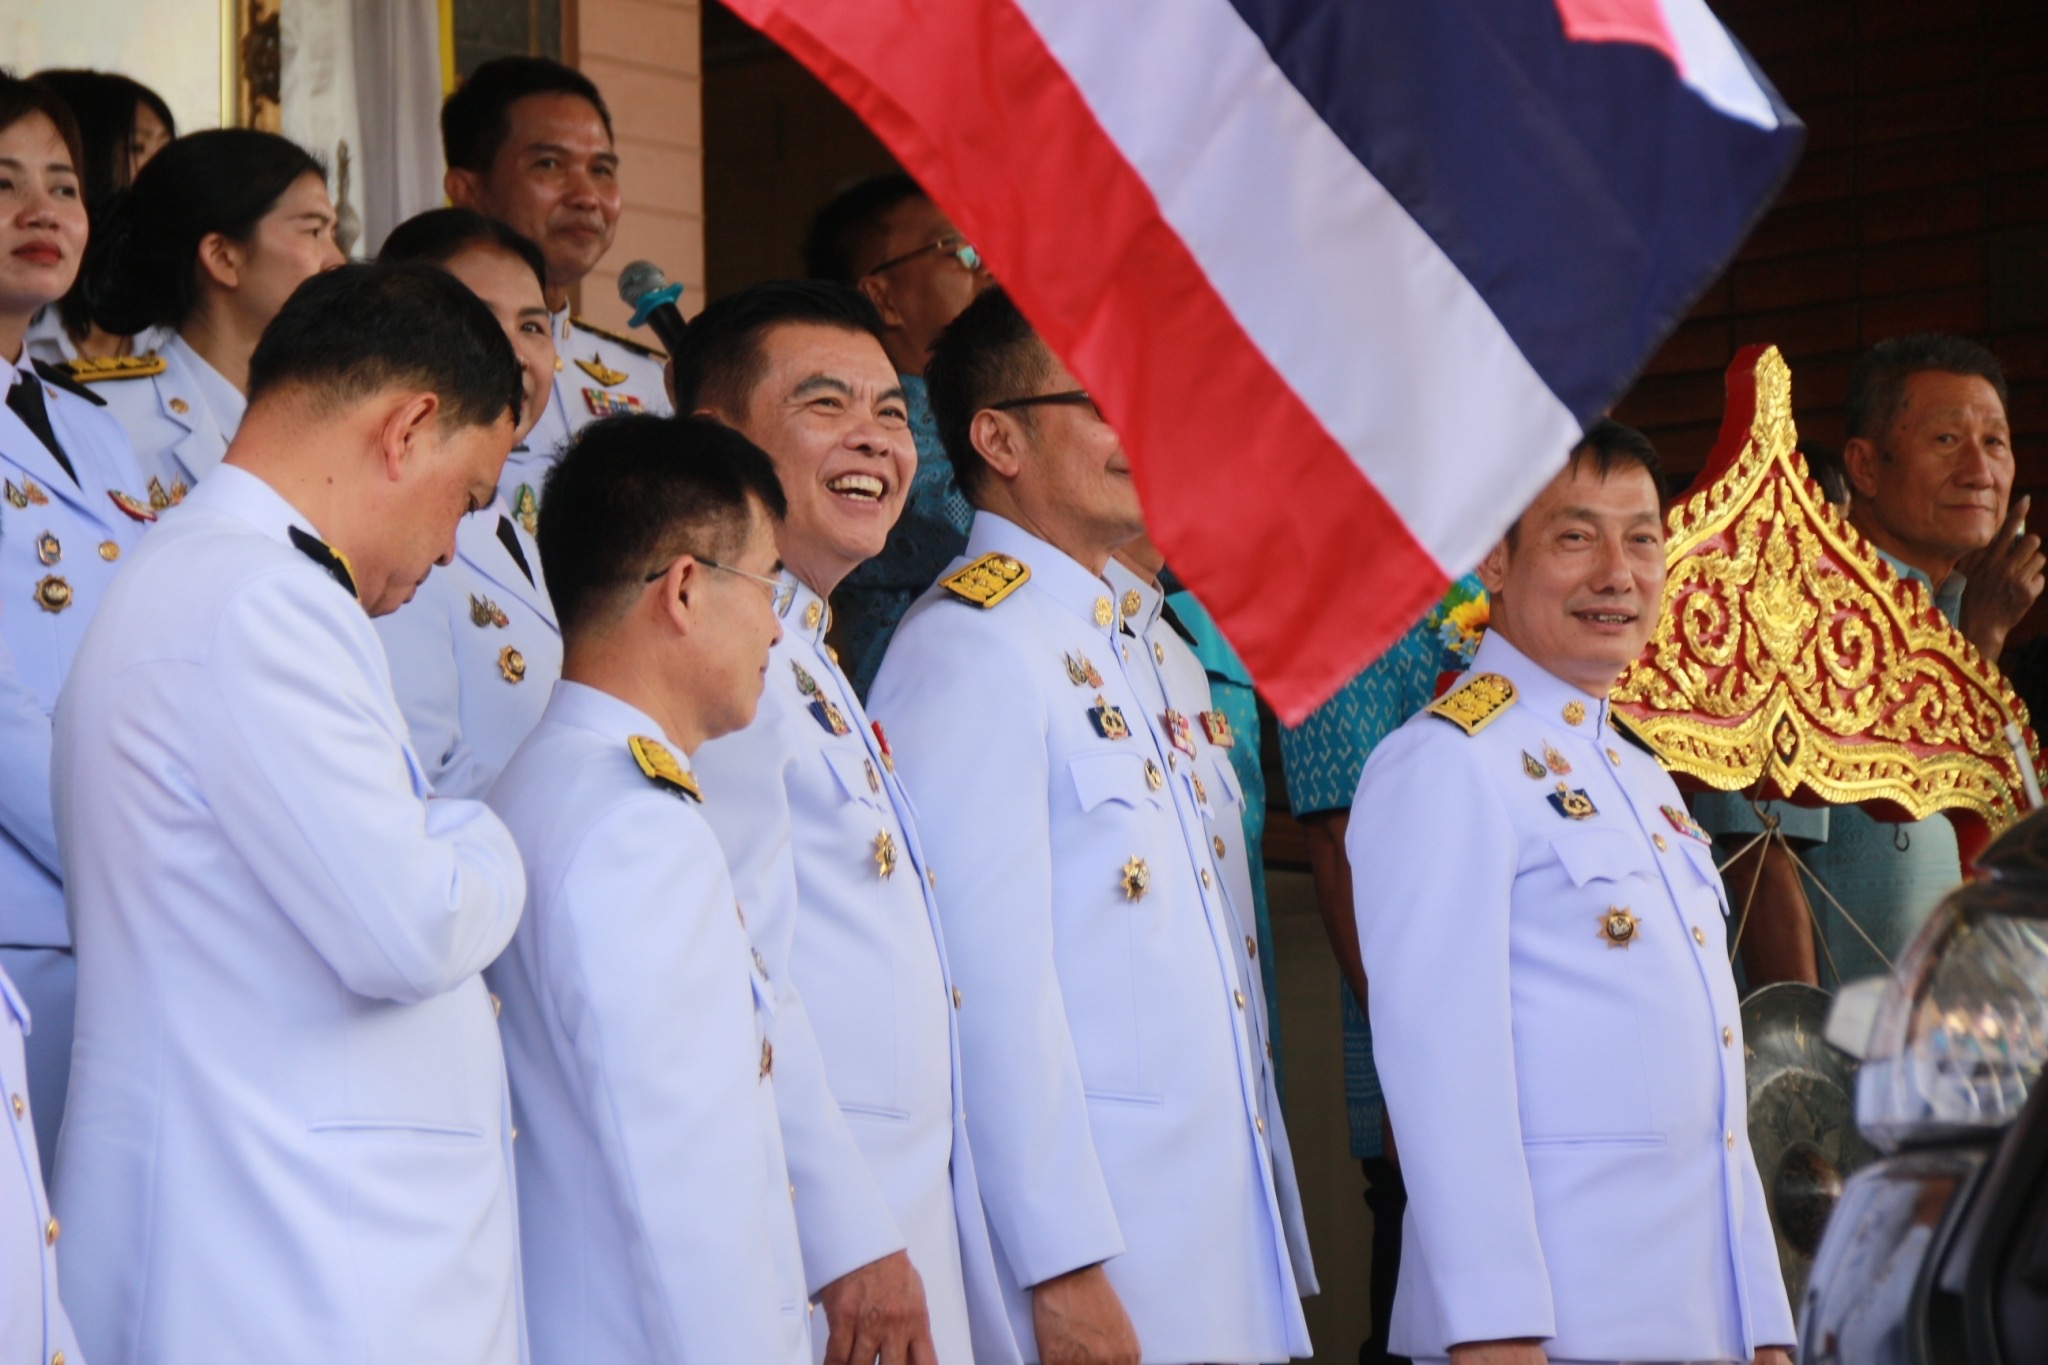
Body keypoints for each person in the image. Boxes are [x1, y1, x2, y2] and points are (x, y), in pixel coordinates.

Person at [51, 261, 530, 1363]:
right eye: (468, 494)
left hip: (290, 1241)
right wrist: (490, 832)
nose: (456, 545)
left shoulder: (223, 576)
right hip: (290, 1258)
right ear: (409, 426)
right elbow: (407, 924)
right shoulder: (258, 599)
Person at [871, 288, 1312, 1364]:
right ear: (999, 438)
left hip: (1217, 1224)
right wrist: (1057, 1265)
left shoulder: (1148, 643)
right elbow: (986, 992)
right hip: (1105, 1250)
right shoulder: (968, 646)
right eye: (1107, 404)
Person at [1349, 420, 1794, 1365]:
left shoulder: (1648, 777)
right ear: (1493, 560)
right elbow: (1441, 1074)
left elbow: (1715, 1091)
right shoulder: (1443, 764)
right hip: (1559, 1328)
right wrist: (1493, 1330)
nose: (1618, 572)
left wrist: (1764, 1326)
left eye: (1642, 538)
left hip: (1698, 1322)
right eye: (1574, 536)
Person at [680, 281, 1012, 1365]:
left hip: (892, 1230)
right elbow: (739, 980)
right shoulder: (724, 669)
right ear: (717, 441)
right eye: (825, 405)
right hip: (816, 1252)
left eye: (886, 409)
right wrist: (848, 1240)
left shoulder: (804, 649)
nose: (873, 438)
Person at [487, 414, 811, 1363]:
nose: (776, 623)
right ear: (683, 589)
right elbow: (688, 1194)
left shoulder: (562, 781)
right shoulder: (636, 828)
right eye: (767, 582)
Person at [1694, 334, 2040, 987]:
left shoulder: (1955, 621)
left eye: (1995, 442)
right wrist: (1806, 1067)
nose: (1979, 470)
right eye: (1946, 441)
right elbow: (1761, 857)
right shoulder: (1811, 614)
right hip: (1844, 1064)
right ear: (1865, 465)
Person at [0, 72, 162, 1178]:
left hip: (126, 912)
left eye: (64, 184)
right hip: (30, 912)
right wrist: (139, 847)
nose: (43, 210)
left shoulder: (96, 432)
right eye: (3, 183)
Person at [1276, 572, 1486, 1365]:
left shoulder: (1492, 573)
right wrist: (1407, 1062)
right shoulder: (1332, 599)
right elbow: (1337, 849)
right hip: (1415, 1040)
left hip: (1527, 1039)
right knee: (1422, 1297)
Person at [1103, 538, 1317, 1302]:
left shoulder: (1184, 648)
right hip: (1117, 1166)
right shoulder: (986, 640)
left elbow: (1237, 918)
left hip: (1223, 1128)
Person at [376, 208, 562, 797]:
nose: (514, 352)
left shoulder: (506, 519)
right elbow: (420, 777)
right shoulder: (386, 518)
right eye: (480, 319)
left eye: (534, 326)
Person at [441, 55, 670, 530]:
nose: (586, 196)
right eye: (550, 164)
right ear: (468, 189)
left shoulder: (653, 382)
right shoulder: (416, 360)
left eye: (602, 170)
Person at [804, 172, 992, 697]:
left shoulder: (985, 413)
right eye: (963, 251)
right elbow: (967, 521)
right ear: (881, 298)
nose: (991, 268)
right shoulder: (858, 437)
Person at [78, 128, 343, 496]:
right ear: (222, 257)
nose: (337, 260)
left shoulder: (335, 411)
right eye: (313, 231)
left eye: (333, 232)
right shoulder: (106, 420)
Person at [25, 68, 174, 364]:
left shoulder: (175, 319)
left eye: (168, 148)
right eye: (138, 148)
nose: (166, 169)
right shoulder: (22, 317)